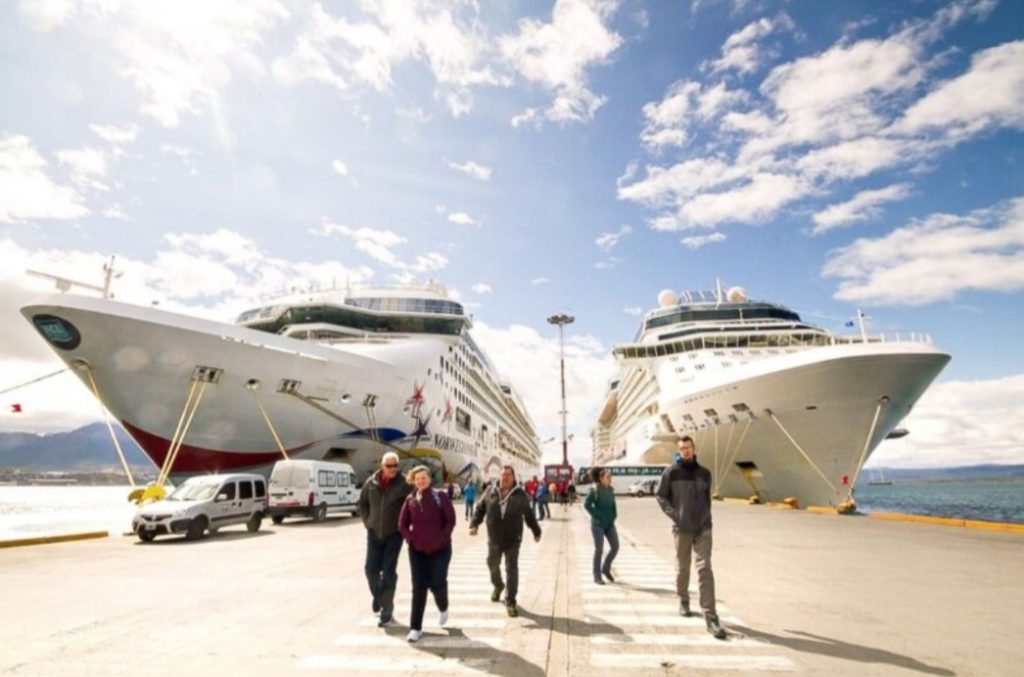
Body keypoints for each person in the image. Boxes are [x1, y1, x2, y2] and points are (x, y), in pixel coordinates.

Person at [656, 436, 727, 639]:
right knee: (683, 567)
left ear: (694, 449)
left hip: (703, 528)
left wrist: (706, 518)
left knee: (705, 569)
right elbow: (661, 495)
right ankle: (683, 599)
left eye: (688, 447)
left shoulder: (705, 473)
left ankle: (710, 617)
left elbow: (706, 500)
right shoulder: (671, 472)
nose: (685, 451)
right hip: (682, 528)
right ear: (678, 451)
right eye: (682, 448)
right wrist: (675, 515)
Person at [469, 465, 541, 617]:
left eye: (509, 474)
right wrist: (474, 524)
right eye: (503, 474)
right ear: (499, 476)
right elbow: (480, 509)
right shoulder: (490, 491)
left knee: (511, 569)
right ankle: (498, 585)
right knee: (491, 563)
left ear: (514, 477)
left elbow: (529, 515)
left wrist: (536, 531)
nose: (506, 477)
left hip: (513, 539)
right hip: (494, 538)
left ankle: (510, 601)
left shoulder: (520, 495)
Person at [398, 465, 456, 643]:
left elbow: (451, 520)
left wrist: (443, 537)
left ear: (429, 479)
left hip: (441, 549)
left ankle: (443, 607)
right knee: (419, 587)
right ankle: (415, 628)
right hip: (417, 551)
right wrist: (410, 539)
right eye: (417, 479)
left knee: (437, 583)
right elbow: (402, 524)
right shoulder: (410, 499)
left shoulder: (440, 497)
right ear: (414, 481)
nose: (421, 481)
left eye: (424, 477)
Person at [358, 451, 412, 627]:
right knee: (370, 570)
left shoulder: (405, 483)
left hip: (394, 534)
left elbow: (413, 505)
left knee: (388, 572)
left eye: (395, 465)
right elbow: (362, 504)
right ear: (382, 466)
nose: (393, 469)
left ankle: (387, 611)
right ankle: (379, 596)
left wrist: (405, 526)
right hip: (374, 533)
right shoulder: (371, 482)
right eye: (389, 466)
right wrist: (368, 523)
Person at [584, 467, 618, 585]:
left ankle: (606, 568)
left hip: (609, 524)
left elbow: (613, 504)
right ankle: (597, 575)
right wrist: (597, 515)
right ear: (601, 478)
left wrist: (614, 515)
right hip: (598, 525)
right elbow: (587, 504)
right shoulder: (594, 490)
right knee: (599, 550)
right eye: (608, 477)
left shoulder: (610, 490)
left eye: (610, 476)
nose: (610, 478)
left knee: (615, 547)